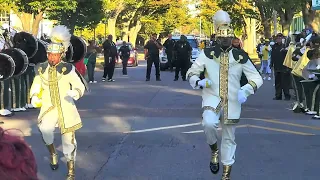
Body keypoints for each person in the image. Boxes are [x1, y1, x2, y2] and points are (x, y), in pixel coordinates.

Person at [186, 10, 263, 179]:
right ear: (217, 38)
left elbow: (257, 77)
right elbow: (192, 71)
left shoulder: (240, 55)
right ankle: (214, 150)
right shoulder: (207, 54)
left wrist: (246, 89)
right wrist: (198, 81)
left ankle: (226, 174)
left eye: (228, 38)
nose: (225, 41)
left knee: (229, 138)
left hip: (233, 100)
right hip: (211, 96)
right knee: (208, 123)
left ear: (233, 38)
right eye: (222, 38)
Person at [29, 25, 86, 180]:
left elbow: (79, 85)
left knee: (69, 141)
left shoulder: (68, 69)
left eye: (55, 55)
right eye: (50, 55)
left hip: (66, 108)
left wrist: (76, 92)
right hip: (48, 108)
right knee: (45, 130)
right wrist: (34, 96)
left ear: (61, 55)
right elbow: (36, 85)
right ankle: (53, 152)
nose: (52, 58)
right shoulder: (41, 69)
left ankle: (71, 170)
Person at [270, 33, 291, 100]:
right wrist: (271, 64)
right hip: (277, 67)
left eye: (280, 38)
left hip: (284, 67)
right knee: (277, 82)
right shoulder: (274, 46)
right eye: (278, 38)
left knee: (285, 83)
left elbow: (288, 57)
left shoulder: (285, 46)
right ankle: (278, 96)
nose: (279, 39)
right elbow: (272, 56)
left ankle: (287, 96)